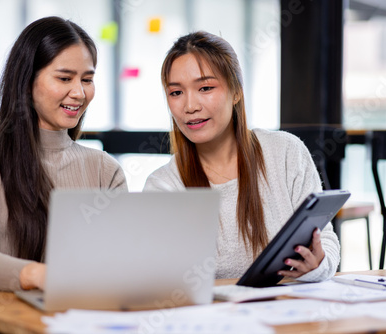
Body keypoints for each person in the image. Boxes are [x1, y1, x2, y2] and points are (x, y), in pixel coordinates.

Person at [0, 16, 127, 298]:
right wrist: (39, 275)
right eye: (65, 78)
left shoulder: (106, 170)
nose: (79, 93)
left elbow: (119, 261)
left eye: (87, 80)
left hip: (73, 316)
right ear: (27, 81)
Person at [144, 31, 339, 282]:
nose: (190, 106)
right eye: (176, 93)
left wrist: (317, 266)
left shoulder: (286, 152)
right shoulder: (163, 186)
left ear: (236, 92)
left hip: (288, 309)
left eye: (205, 87)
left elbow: (325, 240)